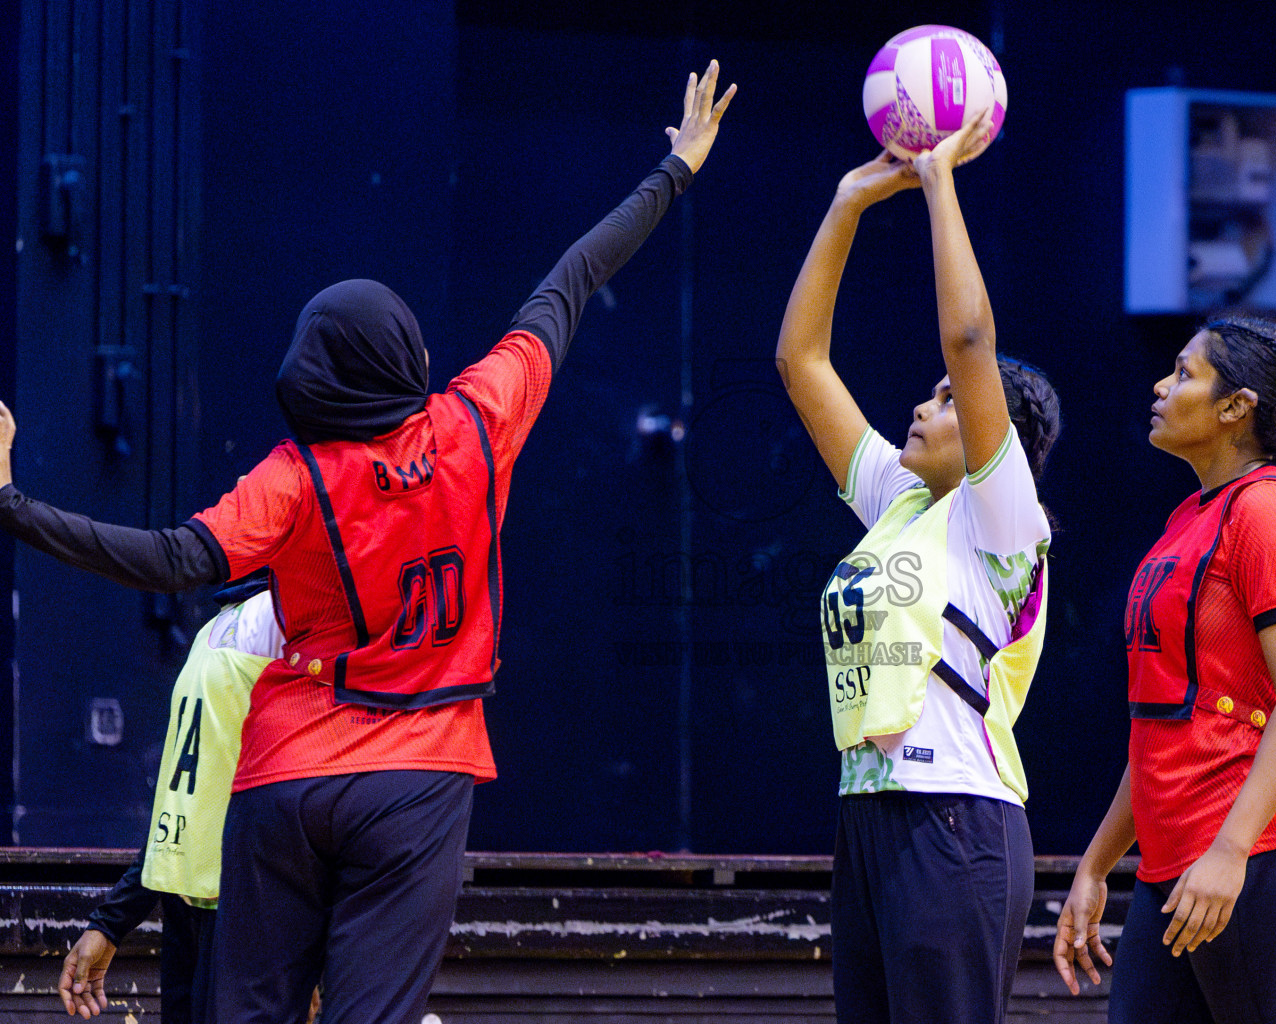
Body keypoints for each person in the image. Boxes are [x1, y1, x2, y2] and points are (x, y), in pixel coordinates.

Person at [4, 62, 734, 1024]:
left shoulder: (295, 476)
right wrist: (675, 167)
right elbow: (573, 278)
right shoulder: (478, 421)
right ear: (403, 359)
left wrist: (11, 502)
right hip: (419, 774)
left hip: (287, 777)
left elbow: (174, 560)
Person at [777, 108, 1061, 1024]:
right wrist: (847, 204)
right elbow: (801, 360)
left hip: (958, 818)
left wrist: (941, 184)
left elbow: (968, 344)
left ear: (990, 430)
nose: (924, 404)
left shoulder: (1000, 518)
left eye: (946, 402)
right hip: (869, 815)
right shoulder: (896, 500)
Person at [1052, 316, 1276, 1024]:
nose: (1161, 384)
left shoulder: (1268, 512)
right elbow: (1165, 723)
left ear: (1235, 407)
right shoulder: (1193, 516)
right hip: (1171, 859)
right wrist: (1095, 865)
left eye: (1184, 374)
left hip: (1246, 854)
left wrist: (1230, 854)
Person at [57, 576, 282, 1022]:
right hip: (205, 908)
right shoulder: (240, 622)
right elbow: (182, 805)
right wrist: (111, 922)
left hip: (243, 908)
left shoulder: (236, 626)